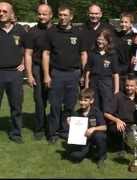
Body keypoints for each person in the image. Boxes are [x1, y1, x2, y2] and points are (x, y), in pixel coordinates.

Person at [42, 5, 88, 144]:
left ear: (71, 17)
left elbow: (83, 54)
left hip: (74, 74)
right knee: (55, 105)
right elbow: (46, 53)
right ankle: (53, 133)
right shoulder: (51, 32)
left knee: (69, 106)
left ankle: (65, 131)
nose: (62, 18)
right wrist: (46, 75)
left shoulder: (79, 32)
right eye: (60, 15)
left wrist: (82, 73)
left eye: (65, 15)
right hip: (56, 74)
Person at [24, 3, 53, 140]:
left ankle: (54, 128)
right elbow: (28, 54)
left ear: (51, 15)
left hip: (55, 69)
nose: (41, 16)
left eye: (44, 14)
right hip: (37, 69)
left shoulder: (57, 30)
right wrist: (29, 75)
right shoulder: (32, 32)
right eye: (39, 14)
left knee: (55, 100)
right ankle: (39, 128)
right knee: (40, 101)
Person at [0, 2, 26, 144]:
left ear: (11, 14)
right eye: (0, 11)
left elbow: (27, 49)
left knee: (16, 105)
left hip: (15, 74)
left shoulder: (20, 30)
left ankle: (16, 133)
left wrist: (23, 63)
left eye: (5, 11)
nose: (1, 13)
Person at [104, 73, 137, 156]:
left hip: (134, 125)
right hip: (121, 124)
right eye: (127, 85)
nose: (129, 88)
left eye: (132, 86)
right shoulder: (118, 96)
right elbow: (106, 113)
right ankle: (121, 149)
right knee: (121, 129)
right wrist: (117, 120)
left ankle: (133, 147)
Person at [67, 88, 107, 168]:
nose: (82, 102)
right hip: (84, 140)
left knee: (100, 136)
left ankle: (101, 157)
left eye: (85, 100)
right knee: (75, 156)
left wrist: (93, 129)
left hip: (95, 137)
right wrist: (70, 124)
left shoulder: (96, 111)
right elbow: (74, 133)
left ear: (91, 101)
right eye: (81, 100)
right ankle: (89, 151)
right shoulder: (76, 113)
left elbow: (104, 127)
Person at [85, 29, 120, 112]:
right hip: (94, 82)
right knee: (94, 106)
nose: (100, 42)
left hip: (106, 83)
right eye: (99, 39)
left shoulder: (112, 54)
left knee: (106, 106)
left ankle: (106, 124)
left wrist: (116, 90)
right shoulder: (92, 53)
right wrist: (86, 87)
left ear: (108, 41)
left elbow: (116, 74)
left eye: (103, 40)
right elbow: (87, 71)